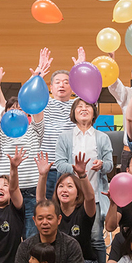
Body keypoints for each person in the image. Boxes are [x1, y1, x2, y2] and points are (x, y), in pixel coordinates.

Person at [37, 150, 102, 263]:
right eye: (61, 186)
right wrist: (43, 175)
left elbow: (90, 198)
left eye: (70, 186)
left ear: (78, 192)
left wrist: (82, 176)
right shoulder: (53, 213)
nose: (64, 189)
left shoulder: (84, 212)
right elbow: (40, 201)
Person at [0, 62, 46, 237]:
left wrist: (36, 80)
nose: (16, 112)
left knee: (30, 235)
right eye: (12, 109)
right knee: (6, 236)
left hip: (30, 191)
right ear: (5, 113)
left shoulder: (34, 130)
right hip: (4, 191)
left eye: (21, 109)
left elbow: (37, 107)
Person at [54, 97, 113, 263]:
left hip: (93, 196)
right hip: (71, 198)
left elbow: (110, 165)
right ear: (73, 113)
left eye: (88, 106)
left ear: (94, 113)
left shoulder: (102, 137)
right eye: (79, 106)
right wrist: (76, 169)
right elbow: (59, 164)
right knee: (70, 238)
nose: (84, 108)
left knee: (96, 239)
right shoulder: (65, 137)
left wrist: (102, 165)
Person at [36, 47, 78, 199]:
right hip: (47, 166)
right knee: (45, 204)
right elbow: (30, 96)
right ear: (51, 87)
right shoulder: (43, 103)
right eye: (58, 82)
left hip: (69, 165)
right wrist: (38, 75)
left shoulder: (78, 105)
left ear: (72, 87)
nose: (62, 85)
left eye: (66, 82)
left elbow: (91, 96)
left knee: (68, 204)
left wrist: (79, 72)